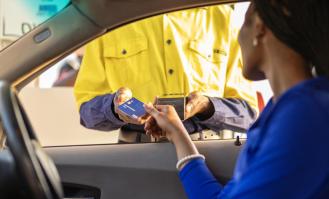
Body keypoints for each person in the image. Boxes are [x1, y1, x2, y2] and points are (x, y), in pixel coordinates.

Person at [144, 0, 329, 199]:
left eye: (243, 25)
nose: (237, 38)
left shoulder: (305, 117)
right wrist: (177, 133)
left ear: (259, 26)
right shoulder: (283, 110)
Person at [73, 5, 258, 141]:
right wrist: (114, 108)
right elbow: (87, 113)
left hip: (209, 160)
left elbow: (248, 115)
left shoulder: (222, 19)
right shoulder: (111, 20)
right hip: (135, 161)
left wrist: (206, 106)